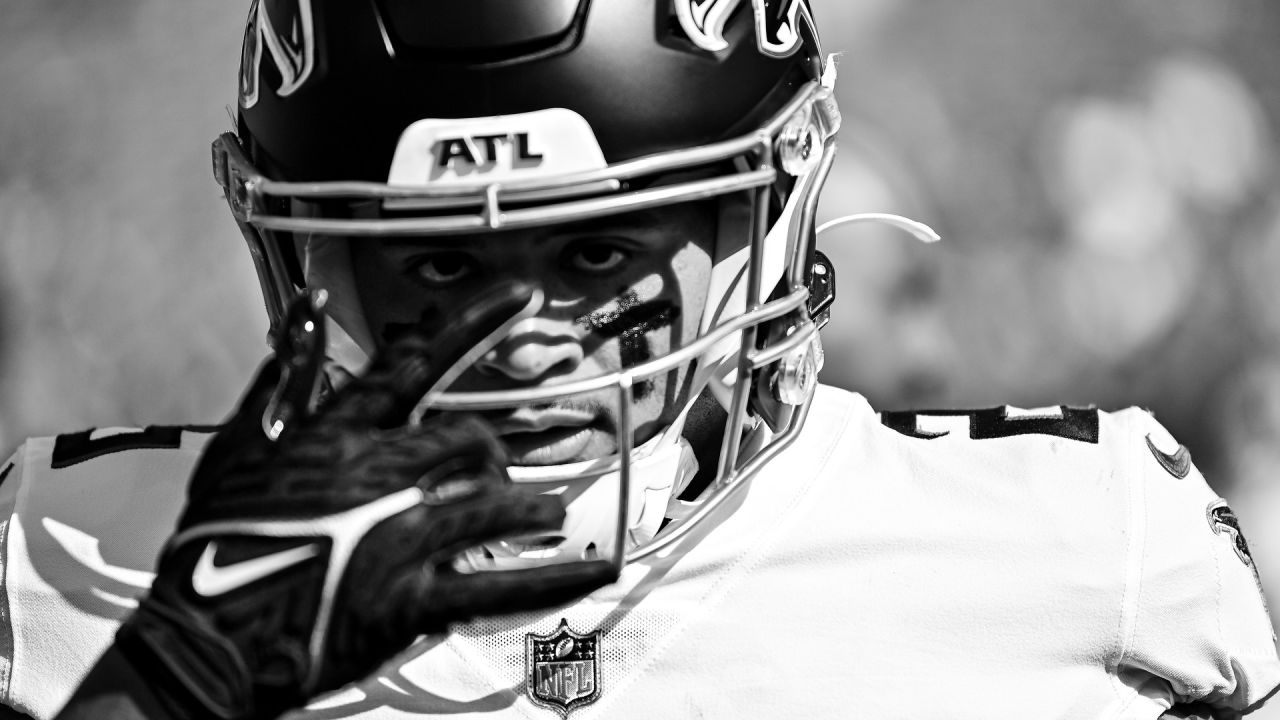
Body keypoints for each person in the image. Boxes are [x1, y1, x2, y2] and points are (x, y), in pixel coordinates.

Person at [0, 1, 1275, 718]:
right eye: (439, 266)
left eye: (603, 253)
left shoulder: (1076, 550)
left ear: (765, 213)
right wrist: (168, 681)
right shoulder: (54, 567)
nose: (522, 340)